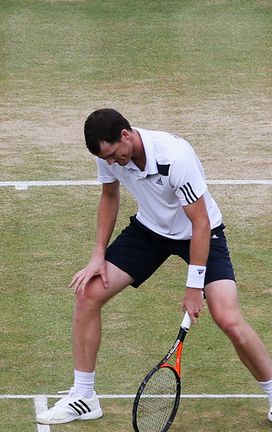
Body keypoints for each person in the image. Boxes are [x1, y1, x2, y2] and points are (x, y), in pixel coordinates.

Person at [36, 108, 272, 424]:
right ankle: (83, 396)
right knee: (87, 294)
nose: (110, 162)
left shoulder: (175, 156)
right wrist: (97, 255)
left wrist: (193, 285)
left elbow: (200, 223)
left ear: (125, 135)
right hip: (150, 231)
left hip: (200, 234)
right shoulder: (107, 155)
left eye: (113, 155)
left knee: (228, 318)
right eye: (104, 158)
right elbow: (109, 196)